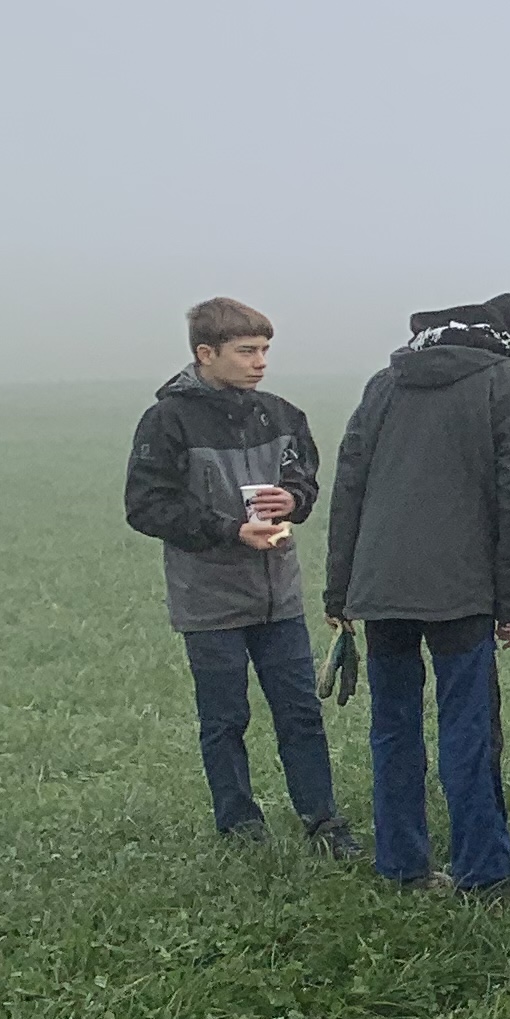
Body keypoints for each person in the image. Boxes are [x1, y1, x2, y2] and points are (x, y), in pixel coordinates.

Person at [326, 294, 510, 903]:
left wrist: (339, 587)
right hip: (463, 589)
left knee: (393, 727)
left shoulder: (386, 383)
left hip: (379, 585)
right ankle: (485, 875)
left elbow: (349, 482)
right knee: (468, 729)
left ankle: (401, 866)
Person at [125, 296, 352, 854]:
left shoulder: (282, 414)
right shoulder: (167, 420)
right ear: (206, 353)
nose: (260, 362)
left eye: (265, 349)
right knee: (225, 719)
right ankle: (240, 829)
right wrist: (229, 530)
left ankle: (324, 823)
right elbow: (145, 505)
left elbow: (306, 480)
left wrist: (291, 498)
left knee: (301, 714)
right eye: (246, 350)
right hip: (208, 600)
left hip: (281, 596)